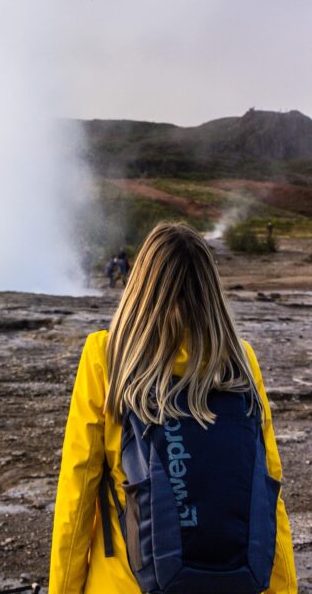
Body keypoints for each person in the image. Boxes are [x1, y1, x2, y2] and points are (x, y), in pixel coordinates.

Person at [50, 221, 296, 594]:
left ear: (141, 287)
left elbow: (78, 492)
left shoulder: (107, 356)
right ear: (210, 289)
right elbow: (267, 489)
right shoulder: (240, 362)